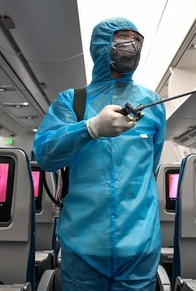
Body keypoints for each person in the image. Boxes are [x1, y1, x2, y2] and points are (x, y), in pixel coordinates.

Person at [33, 17, 166, 290]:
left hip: (138, 246)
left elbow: (150, 166)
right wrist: (90, 128)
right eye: (122, 38)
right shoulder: (73, 101)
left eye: (136, 39)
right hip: (84, 246)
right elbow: (45, 155)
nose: (131, 46)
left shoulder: (152, 104)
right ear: (103, 46)